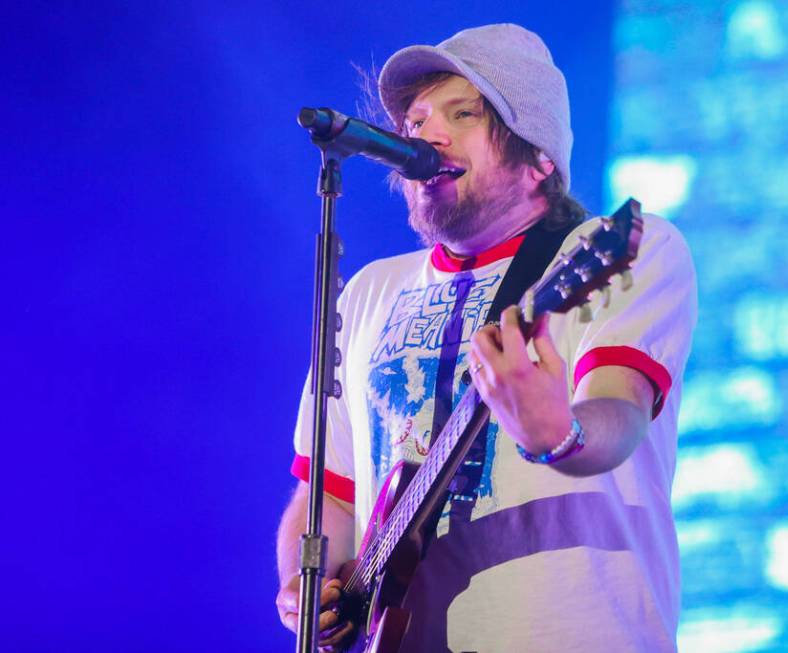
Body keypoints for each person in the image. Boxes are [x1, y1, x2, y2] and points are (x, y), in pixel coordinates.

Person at [275, 23, 697, 653]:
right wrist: (305, 591)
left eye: (462, 112)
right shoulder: (366, 292)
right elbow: (328, 494)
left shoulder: (611, 252)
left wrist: (560, 433)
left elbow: (621, 411)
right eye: (415, 122)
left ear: (539, 155)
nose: (424, 136)